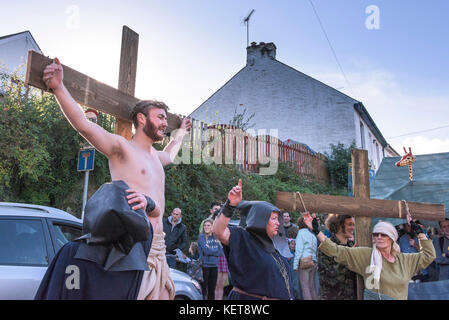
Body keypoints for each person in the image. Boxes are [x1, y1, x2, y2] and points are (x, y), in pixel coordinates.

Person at [40, 58, 191, 300]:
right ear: (142, 119)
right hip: (132, 249)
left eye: (166, 119)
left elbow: (171, 155)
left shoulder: (156, 157)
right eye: (160, 117)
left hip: (159, 248)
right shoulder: (122, 148)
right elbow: (84, 126)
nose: (165, 123)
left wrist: (181, 133)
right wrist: (58, 87)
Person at [303, 212, 436, 300]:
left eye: (383, 234)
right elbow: (337, 251)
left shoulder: (404, 260)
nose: (379, 237)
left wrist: (420, 233)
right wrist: (316, 231)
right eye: (376, 234)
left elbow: (429, 255)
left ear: (392, 238)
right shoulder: (366, 255)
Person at [212, 179, 294, 300]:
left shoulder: (274, 247)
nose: (278, 223)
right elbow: (218, 231)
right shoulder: (244, 238)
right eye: (274, 219)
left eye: (278, 219)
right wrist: (230, 205)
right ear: (261, 219)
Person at [318, 214, 357, 300]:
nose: (352, 228)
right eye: (350, 224)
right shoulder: (325, 248)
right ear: (339, 226)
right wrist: (350, 258)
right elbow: (331, 279)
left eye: (354, 225)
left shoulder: (352, 245)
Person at [293, 217, 318, 300]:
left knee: (305, 288)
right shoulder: (312, 235)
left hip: (304, 263)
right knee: (312, 287)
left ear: (299, 224)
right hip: (313, 262)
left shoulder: (300, 234)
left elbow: (299, 251)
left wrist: (295, 265)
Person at [198, 219, 223, 300]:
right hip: (205, 265)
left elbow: (220, 253)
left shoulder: (216, 237)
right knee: (204, 290)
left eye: (208, 225)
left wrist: (210, 250)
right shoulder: (201, 237)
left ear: (212, 227)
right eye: (205, 225)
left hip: (214, 266)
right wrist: (214, 251)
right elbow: (205, 250)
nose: (206, 227)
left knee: (212, 290)